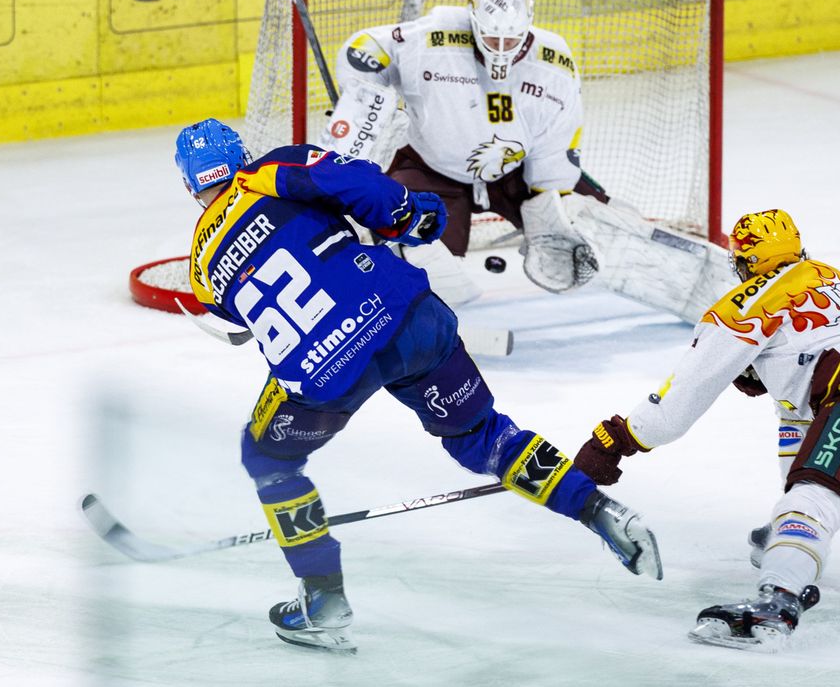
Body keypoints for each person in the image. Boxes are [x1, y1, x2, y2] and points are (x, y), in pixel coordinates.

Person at [173, 118, 662, 654]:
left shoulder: (199, 263)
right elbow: (354, 184)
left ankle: (323, 598)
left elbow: (238, 322)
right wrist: (409, 214)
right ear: (240, 156)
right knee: (483, 436)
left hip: (326, 372)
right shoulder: (268, 171)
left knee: (268, 458)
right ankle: (598, 510)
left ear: (192, 186)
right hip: (408, 319)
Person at [571, 209, 840, 650]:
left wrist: (615, 441)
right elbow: (803, 413)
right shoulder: (839, 279)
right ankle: (793, 537)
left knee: (815, 496)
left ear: (744, 262)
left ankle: (779, 601)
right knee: (806, 472)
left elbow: (679, 402)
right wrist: (784, 524)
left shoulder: (746, 303)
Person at [319, 0, 731, 323]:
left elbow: (560, 137)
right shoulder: (435, 36)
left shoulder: (553, 63)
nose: (501, 49)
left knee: (592, 223)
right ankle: (405, 320)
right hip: (430, 168)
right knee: (410, 240)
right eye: (491, 38)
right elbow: (364, 47)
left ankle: (713, 292)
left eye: (511, 40)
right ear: (473, 17)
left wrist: (551, 203)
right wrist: (367, 98)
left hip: (514, 172)